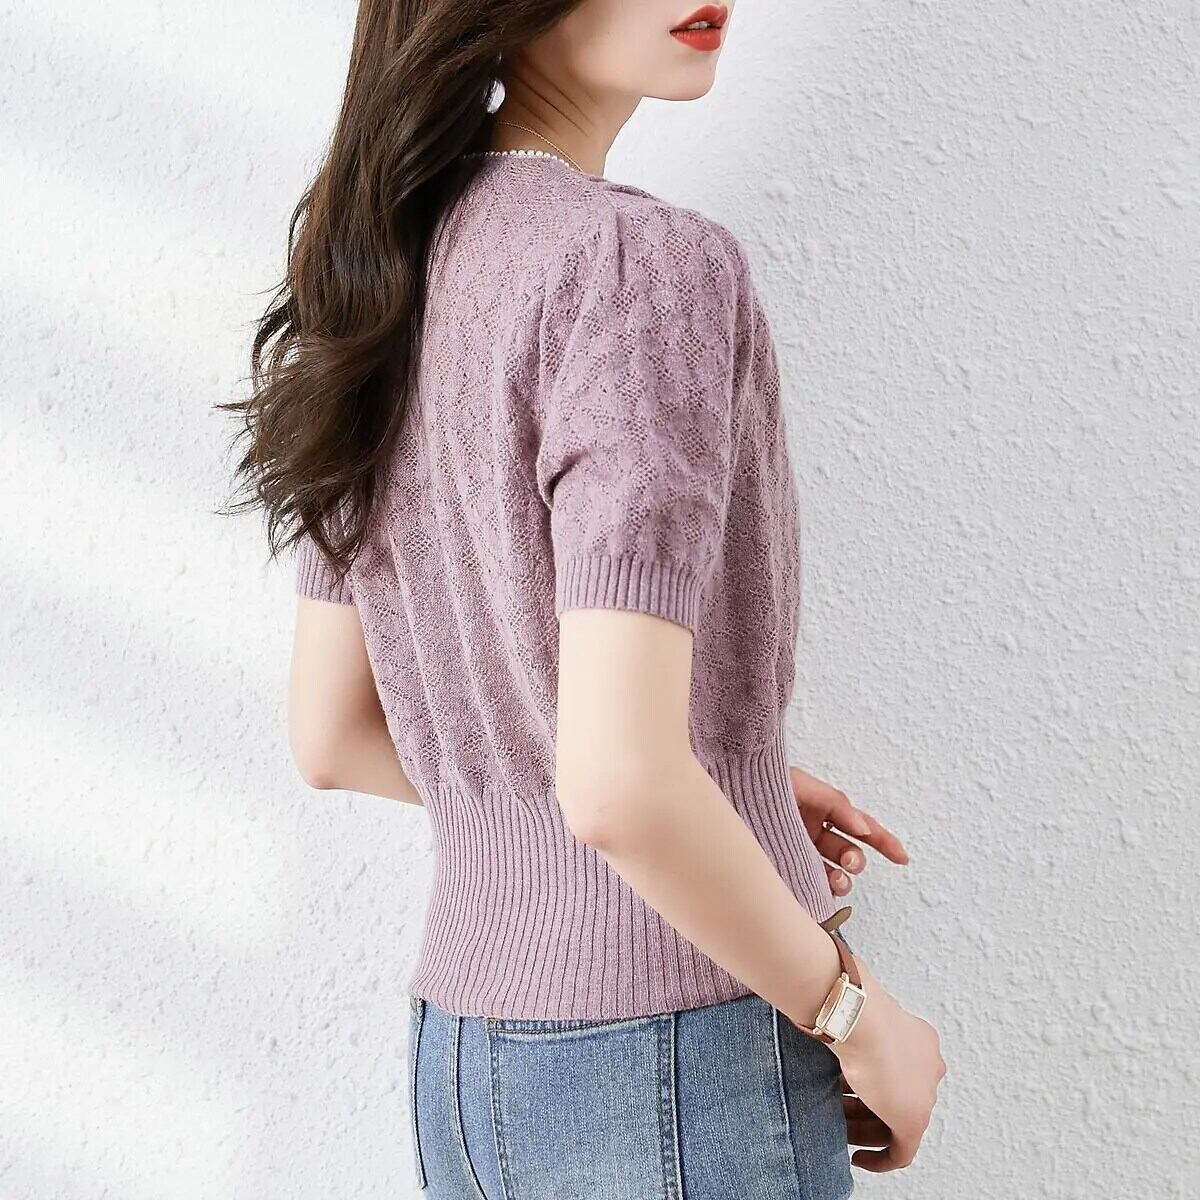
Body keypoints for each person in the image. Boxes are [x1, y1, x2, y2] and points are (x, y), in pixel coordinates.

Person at [224, 0, 946, 1195]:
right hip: (677, 1055)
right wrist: (859, 1021)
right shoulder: (637, 265)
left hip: (468, 1065)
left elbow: (333, 733)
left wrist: (714, 790)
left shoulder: (387, 267)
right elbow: (616, 784)